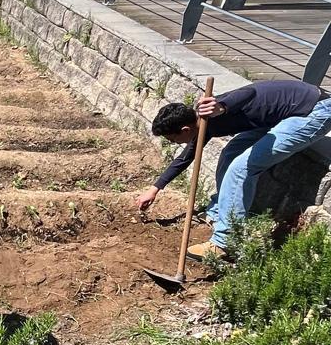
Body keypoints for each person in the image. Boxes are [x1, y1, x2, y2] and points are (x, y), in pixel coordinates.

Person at [134, 79, 331, 259]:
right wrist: (155, 189)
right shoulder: (202, 123)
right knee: (230, 153)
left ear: (185, 130)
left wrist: (221, 106)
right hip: (279, 116)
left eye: (172, 139)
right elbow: (186, 157)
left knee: (241, 167)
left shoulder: (212, 111)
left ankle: (225, 241)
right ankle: (221, 211)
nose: (174, 143)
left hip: (312, 110)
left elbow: (249, 93)